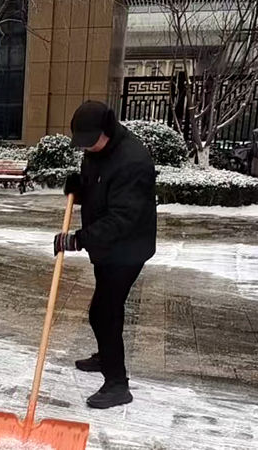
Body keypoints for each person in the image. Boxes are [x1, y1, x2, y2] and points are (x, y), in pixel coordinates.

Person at [55, 100, 157, 409]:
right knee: (106, 309)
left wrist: (79, 239)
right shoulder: (97, 149)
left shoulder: (133, 161)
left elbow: (123, 217)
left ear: (108, 130)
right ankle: (105, 355)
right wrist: (79, 187)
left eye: (91, 141)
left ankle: (117, 384)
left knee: (103, 312)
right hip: (107, 248)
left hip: (127, 249)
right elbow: (99, 188)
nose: (86, 148)